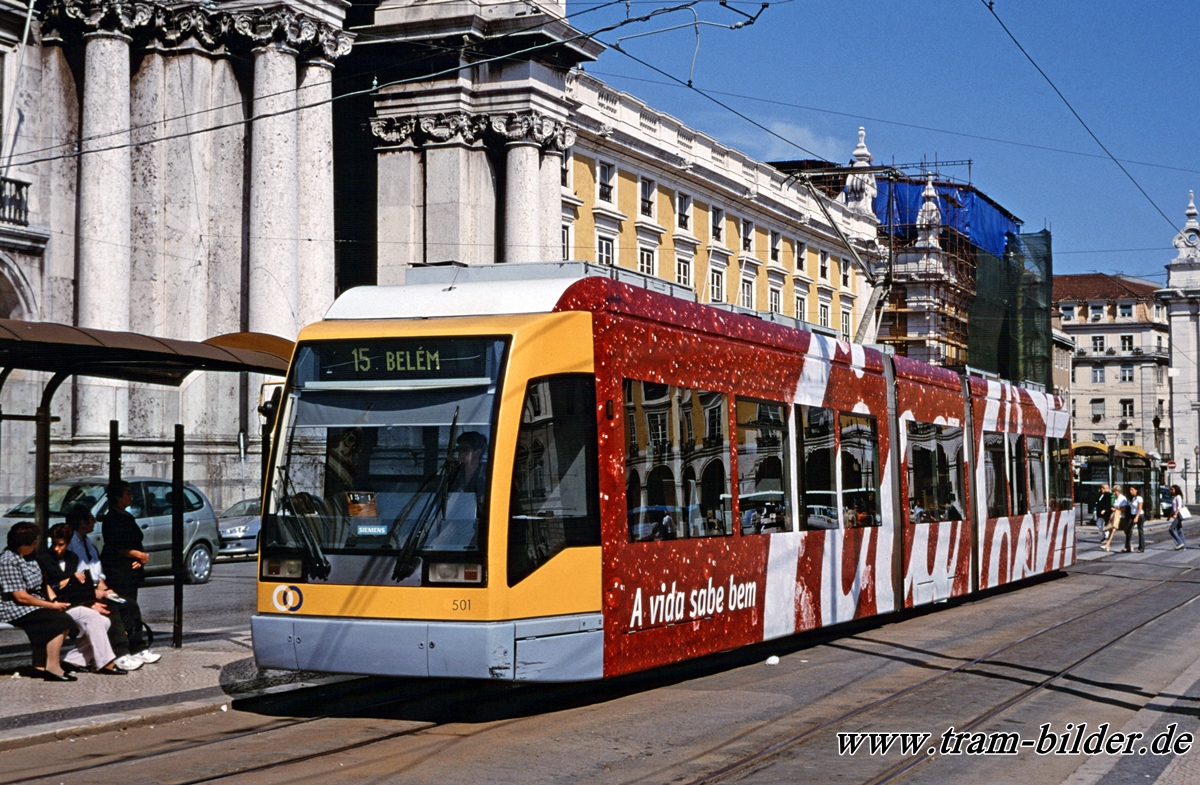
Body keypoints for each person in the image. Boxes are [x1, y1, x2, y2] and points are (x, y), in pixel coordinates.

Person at [42, 523, 142, 673]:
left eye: (61, 544)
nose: (57, 548)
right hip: (56, 603)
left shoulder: (72, 558)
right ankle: (106, 662)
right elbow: (47, 586)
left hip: (72, 600)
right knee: (95, 618)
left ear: (68, 543)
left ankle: (74, 660)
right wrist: (70, 582)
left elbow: (75, 587)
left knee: (105, 621)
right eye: (54, 544)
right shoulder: (44, 559)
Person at [65, 504, 154, 668]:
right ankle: (119, 653)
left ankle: (137, 648)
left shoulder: (88, 542)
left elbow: (97, 574)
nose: (94, 522)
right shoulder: (71, 545)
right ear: (83, 523)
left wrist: (106, 589)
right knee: (111, 609)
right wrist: (95, 593)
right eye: (91, 519)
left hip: (95, 590)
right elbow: (75, 577)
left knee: (128, 604)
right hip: (80, 595)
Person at [0, 522, 78, 681]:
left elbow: (43, 583)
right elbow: (20, 597)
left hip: (33, 603)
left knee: (58, 616)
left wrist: (54, 601)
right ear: (24, 544)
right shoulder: (8, 561)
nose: (36, 544)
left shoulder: (30, 557)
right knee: (60, 621)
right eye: (34, 541)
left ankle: (39, 665)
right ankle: (53, 667)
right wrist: (51, 605)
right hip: (13, 607)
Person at [100, 480, 149, 603]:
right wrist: (138, 555)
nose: (131, 496)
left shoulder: (127, 516)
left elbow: (136, 539)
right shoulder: (112, 519)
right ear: (118, 496)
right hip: (118, 570)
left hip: (131, 569)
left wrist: (140, 557)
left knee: (131, 601)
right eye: (127, 493)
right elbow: (116, 545)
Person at [1102, 484, 1127, 552]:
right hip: (1117, 517)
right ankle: (1107, 545)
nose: (1114, 493)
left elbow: (1124, 508)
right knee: (1112, 530)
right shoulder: (1116, 498)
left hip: (1122, 517)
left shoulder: (1122, 498)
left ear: (1118, 491)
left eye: (1115, 491)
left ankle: (1108, 545)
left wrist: (1116, 509)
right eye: (1113, 491)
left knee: (1126, 532)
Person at [1125, 486, 1145, 553]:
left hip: (1139, 515)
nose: (1131, 491)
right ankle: (1128, 547)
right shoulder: (1132, 498)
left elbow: (1139, 509)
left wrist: (1136, 517)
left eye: (1132, 490)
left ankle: (1141, 547)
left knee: (1140, 531)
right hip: (1132, 514)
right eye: (1130, 490)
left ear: (1136, 490)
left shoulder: (1139, 498)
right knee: (1129, 530)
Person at [1169, 484, 1187, 551]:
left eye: (1172, 489)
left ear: (1176, 489)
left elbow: (1178, 507)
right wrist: (1170, 515)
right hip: (1177, 514)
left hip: (1179, 515)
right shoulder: (1175, 497)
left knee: (1171, 529)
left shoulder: (1178, 497)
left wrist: (1175, 514)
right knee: (1179, 530)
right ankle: (1183, 546)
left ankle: (1180, 543)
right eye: (1170, 489)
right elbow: (1173, 508)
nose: (1171, 491)